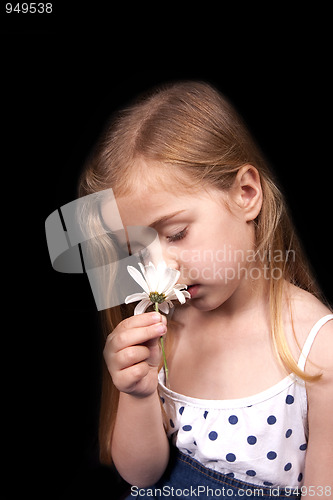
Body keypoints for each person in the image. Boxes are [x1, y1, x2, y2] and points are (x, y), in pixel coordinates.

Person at [77, 81, 333, 498]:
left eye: (176, 234)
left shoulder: (317, 346)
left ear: (246, 195)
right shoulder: (164, 328)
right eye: (138, 252)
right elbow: (141, 477)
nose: (161, 268)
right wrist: (137, 393)